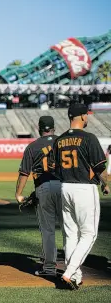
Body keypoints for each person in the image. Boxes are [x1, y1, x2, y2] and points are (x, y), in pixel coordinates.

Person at [52, 103, 109, 290]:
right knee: (89, 234)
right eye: (87, 115)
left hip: (65, 187)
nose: (88, 118)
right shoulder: (89, 138)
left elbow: (54, 168)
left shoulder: (59, 140)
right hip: (84, 189)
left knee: (70, 235)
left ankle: (75, 276)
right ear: (83, 116)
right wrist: (106, 183)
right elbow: (100, 167)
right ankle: (69, 272)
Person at [15, 116, 62, 277]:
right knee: (69, 229)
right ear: (54, 127)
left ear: (39, 128)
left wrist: (19, 193)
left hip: (44, 187)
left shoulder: (33, 147)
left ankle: (49, 268)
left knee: (48, 230)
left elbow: (24, 173)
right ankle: (72, 269)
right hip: (65, 187)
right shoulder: (63, 142)